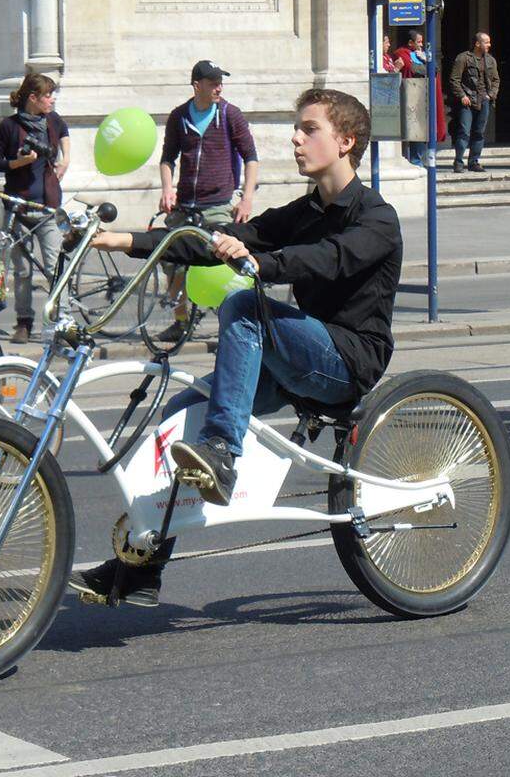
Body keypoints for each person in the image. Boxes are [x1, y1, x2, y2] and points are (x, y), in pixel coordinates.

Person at [70, 88, 403, 607]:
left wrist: (258, 262)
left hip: (347, 361)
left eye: (308, 129)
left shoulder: (378, 218)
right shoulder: (305, 210)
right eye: (297, 127)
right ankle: (143, 568)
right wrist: (126, 241)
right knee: (183, 416)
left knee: (245, 307)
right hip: (298, 355)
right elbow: (218, 239)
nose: (295, 137)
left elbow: (327, 259)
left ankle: (223, 455)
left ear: (345, 141)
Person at [153, 60, 260, 343]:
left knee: (224, 261)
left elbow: (251, 157)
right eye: (213, 83)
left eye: (220, 83)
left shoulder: (229, 114)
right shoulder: (179, 116)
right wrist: (167, 189)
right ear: (197, 85)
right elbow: (167, 159)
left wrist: (246, 198)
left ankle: (234, 320)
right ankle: (180, 320)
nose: (219, 88)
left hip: (218, 204)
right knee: (171, 259)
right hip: (185, 204)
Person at [0, 72, 71, 344]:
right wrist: (18, 163)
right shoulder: (10, 126)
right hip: (18, 207)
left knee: (54, 267)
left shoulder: (53, 120)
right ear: (32, 98)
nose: (52, 99)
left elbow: (65, 131)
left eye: (52, 94)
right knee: (22, 271)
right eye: (47, 95)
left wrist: (66, 157)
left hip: (47, 207)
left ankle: (63, 321)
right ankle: (24, 322)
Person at [392, 30, 446, 167]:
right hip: (411, 97)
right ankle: (415, 161)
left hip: (424, 98)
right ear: (410, 42)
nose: (421, 45)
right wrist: (424, 65)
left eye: (422, 42)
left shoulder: (421, 54)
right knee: (414, 131)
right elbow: (413, 69)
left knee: (423, 130)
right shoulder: (401, 53)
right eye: (419, 42)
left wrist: (427, 60)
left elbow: (434, 71)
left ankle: (421, 159)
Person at [449, 32, 500, 173]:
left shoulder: (491, 60)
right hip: (468, 101)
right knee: (464, 132)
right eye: (486, 42)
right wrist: (462, 96)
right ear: (478, 43)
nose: (489, 45)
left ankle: (474, 161)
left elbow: (496, 80)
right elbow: (454, 79)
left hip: (484, 101)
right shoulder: (463, 58)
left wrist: (491, 95)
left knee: (479, 133)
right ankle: (458, 162)